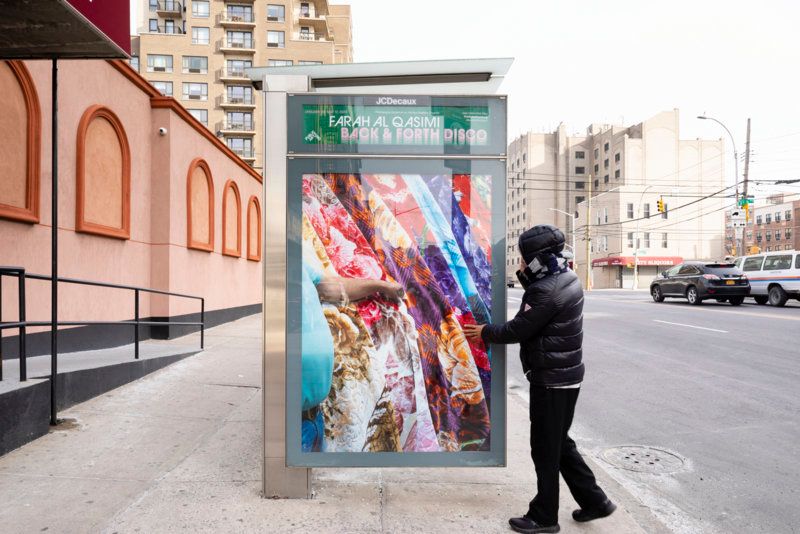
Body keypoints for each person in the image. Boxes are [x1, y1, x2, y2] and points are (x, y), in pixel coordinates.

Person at [464, 224, 616, 534]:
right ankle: (595, 500)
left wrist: (484, 333)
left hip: (551, 381)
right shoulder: (564, 277)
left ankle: (544, 516)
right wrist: (525, 276)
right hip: (566, 376)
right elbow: (536, 303)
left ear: (536, 259)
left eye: (523, 258)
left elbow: (518, 329)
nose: (520, 263)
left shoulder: (546, 289)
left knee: (545, 449)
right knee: (559, 444)